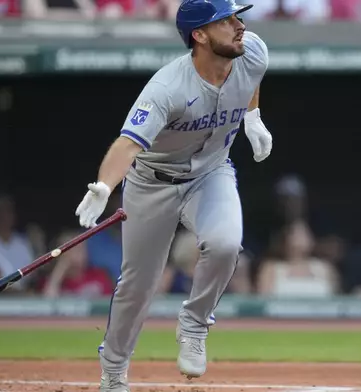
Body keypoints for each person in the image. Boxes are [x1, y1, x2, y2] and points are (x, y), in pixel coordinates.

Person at [73, 0, 271, 390]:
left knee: (226, 243)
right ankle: (113, 372)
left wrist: (253, 117)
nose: (239, 24)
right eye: (226, 20)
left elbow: (251, 79)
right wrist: (104, 186)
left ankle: (195, 324)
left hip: (211, 172)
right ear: (199, 35)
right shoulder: (167, 87)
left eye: (238, 15)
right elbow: (128, 144)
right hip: (152, 183)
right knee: (138, 286)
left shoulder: (253, 50)